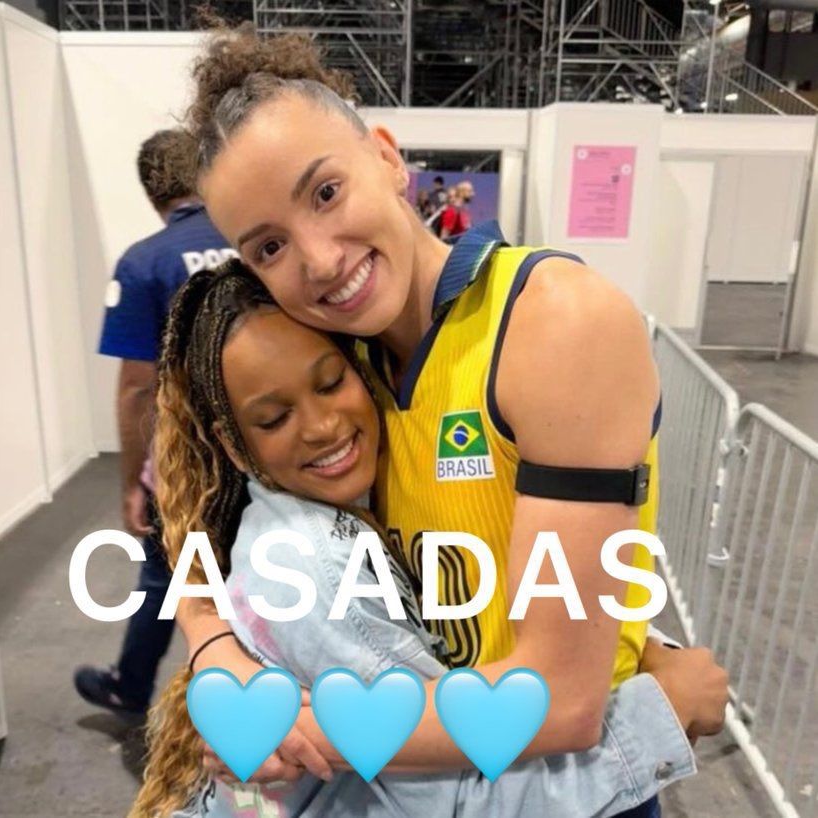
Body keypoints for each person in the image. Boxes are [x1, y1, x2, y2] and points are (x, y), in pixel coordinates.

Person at [174, 23, 728, 816]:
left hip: (566, 793)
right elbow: (197, 495)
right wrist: (214, 643)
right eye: (269, 247)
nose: (320, 259)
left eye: (325, 193)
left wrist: (293, 733)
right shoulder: (342, 360)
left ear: (387, 158)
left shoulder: (554, 322)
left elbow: (561, 701)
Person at [130, 264, 722, 818]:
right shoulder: (316, 567)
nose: (322, 426)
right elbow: (458, 800)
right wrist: (664, 711)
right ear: (233, 446)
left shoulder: (356, 493)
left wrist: (628, 644)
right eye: (274, 419)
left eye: (331, 382)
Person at [73, 129, 234, 715]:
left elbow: (138, 387)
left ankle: (132, 685)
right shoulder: (259, 239)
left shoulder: (144, 263)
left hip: (192, 461)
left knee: (166, 572)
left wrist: (131, 483)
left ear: (151, 194)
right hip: (274, 451)